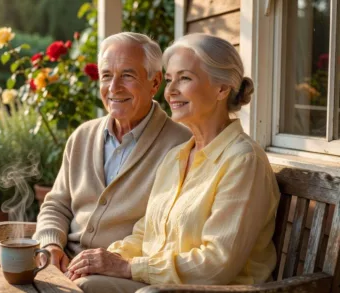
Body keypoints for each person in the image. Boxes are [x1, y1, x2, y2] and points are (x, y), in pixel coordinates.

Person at [66, 33, 280, 293]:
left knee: (83, 288)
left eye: (185, 78)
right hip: (158, 285)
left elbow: (216, 265)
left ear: (222, 89)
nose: (170, 91)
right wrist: (105, 258)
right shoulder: (176, 156)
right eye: (169, 80)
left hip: (213, 290)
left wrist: (128, 268)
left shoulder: (244, 161)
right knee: (72, 281)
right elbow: (145, 233)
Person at [0, 32, 191, 272]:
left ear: (155, 82)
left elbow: (167, 227)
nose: (113, 87)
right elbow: (57, 205)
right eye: (106, 76)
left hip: (118, 270)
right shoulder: (83, 136)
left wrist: (115, 262)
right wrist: (51, 244)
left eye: (127, 75)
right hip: (65, 258)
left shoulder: (180, 144)